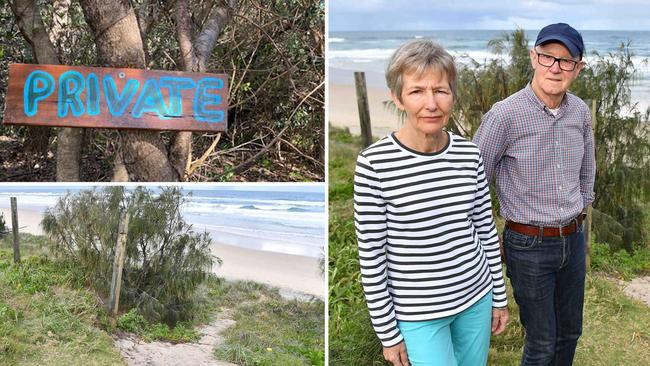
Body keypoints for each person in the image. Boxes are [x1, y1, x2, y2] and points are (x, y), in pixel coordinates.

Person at [354, 39, 509, 366]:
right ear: (397, 97)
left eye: (440, 90)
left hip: (475, 297)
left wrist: (498, 297)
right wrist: (388, 333)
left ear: (452, 95)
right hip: (418, 314)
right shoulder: (373, 165)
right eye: (417, 91)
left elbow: (484, 229)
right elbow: (371, 257)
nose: (431, 103)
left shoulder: (469, 154)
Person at [473, 23, 596, 366]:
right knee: (542, 343)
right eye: (547, 57)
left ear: (578, 67)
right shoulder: (504, 115)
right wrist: (485, 235)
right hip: (527, 245)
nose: (555, 67)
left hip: (573, 240)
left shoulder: (580, 113)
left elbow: (588, 169)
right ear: (533, 57)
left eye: (566, 60)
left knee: (570, 333)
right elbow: (473, 177)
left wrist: (582, 211)